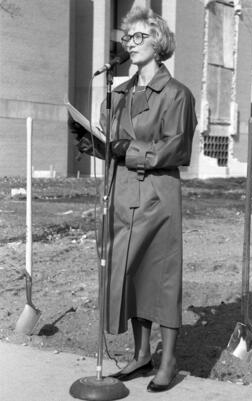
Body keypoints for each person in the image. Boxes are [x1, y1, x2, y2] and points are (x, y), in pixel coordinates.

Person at [70, 6, 197, 392]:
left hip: (157, 196)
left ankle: (169, 359)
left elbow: (176, 148)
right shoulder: (119, 92)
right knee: (130, 274)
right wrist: (91, 143)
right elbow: (114, 144)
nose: (130, 43)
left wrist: (129, 149)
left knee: (161, 277)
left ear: (158, 43)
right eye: (127, 37)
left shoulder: (177, 94)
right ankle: (142, 355)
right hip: (120, 193)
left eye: (139, 36)